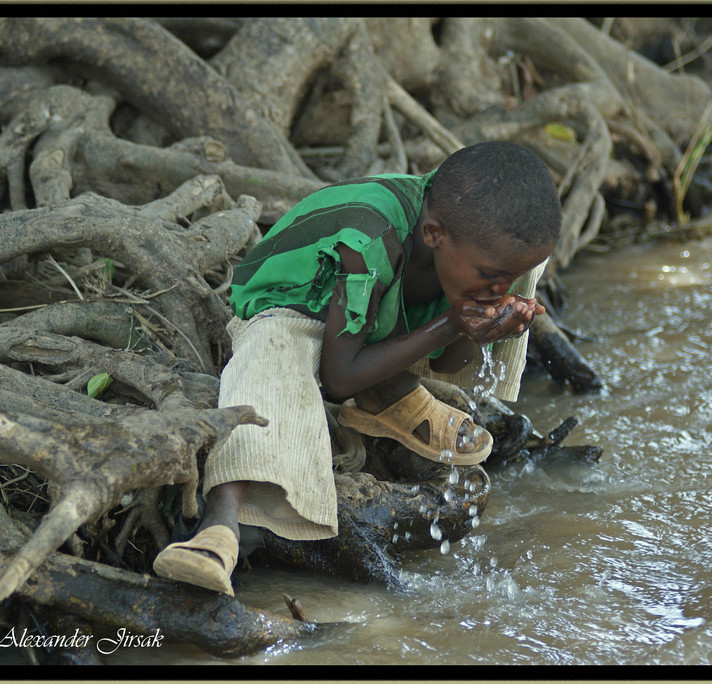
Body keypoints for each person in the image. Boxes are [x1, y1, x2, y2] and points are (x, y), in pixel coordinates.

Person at [152, 141, 561, 595]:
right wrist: (450, 322)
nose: (499, 288)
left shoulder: (479, 250)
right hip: (295, 306)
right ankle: (221, 524)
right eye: (489, 276)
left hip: (380, 314)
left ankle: (387, 394)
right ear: (432, 234)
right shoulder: (371, 235)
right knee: (272, 358)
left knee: (513, 285)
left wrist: (484, 324)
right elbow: (338, 377)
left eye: (504, 278)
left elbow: (448, 363)